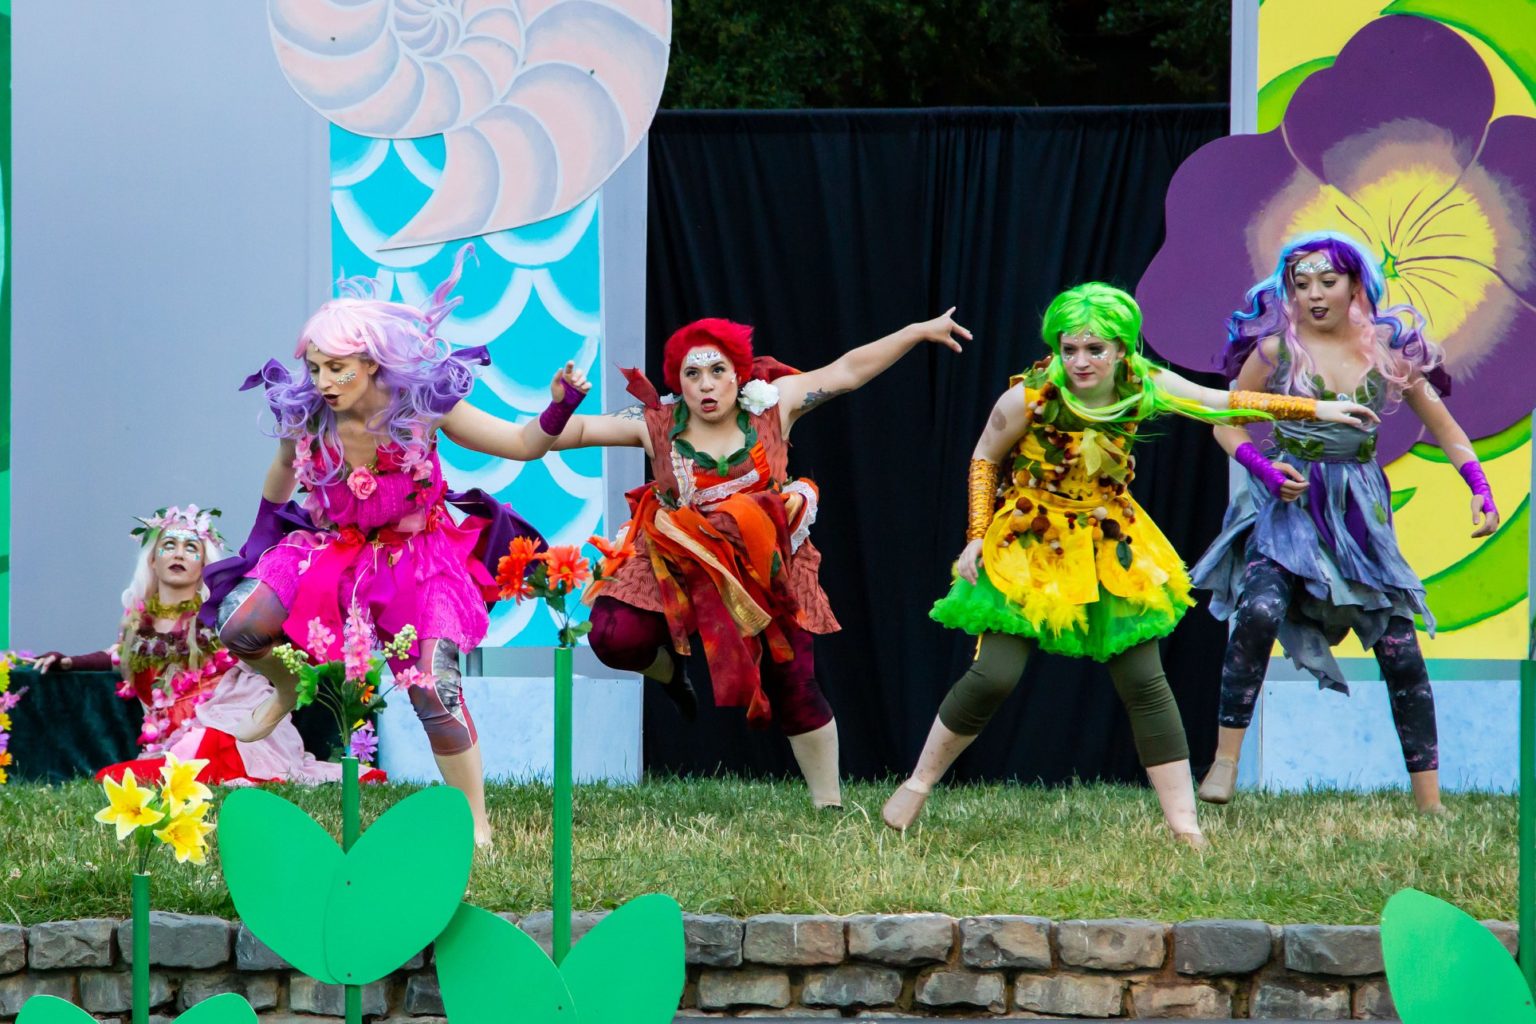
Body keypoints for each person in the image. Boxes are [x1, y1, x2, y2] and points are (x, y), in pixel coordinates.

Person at [880, 282, 1378, 846]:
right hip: (1031, 539)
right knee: (995, 673)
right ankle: (919, 784)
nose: (1081, 361)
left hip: (1109, 542)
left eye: (1095, 349)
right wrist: (974, 536)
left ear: (1121, 349)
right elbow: (984, 458)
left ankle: (1185, 826)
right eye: (1070, 349)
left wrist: (1320, 408)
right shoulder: (1030, 398)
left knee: (1144, 679)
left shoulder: (1145, 386)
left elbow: (1225, 402)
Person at [212, 245, 589, 845]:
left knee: (434, 692)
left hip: (419, 560)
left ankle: (475, 822)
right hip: (335, 554)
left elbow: (521, 444)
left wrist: (560, 405)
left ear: (371, 361)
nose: (324, 382)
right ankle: (286, 686)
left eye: (339, 367)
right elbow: (281, 472)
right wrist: (259, 541)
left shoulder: (421, 408)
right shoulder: (309, 416)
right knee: (238, 625)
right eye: (315, 368)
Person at [553, 311, 970, 809]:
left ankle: (828, 808)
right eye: (693, 374)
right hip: (680, 560)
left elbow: (848, 371)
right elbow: (559, 435)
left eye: (718, 371)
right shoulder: (655, 424)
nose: (707, 385)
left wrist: (916, 331)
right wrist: (560, 404)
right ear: (678, 382)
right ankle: (671, 675)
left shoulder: (774, 407)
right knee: (614, 635)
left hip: (761, 565)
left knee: (793, 681)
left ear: (739, 374)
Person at [1191, 231, 1497, 814]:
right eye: (1300, 284)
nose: (1313, 294)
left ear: (1355, 285)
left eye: (1326, 281)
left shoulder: (1387, 351)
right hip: (1286, 506)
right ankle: (1225, 761)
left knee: (1401, 649)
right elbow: (1224, 420)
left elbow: (1447, 426)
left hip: (1357, 513)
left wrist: (1479, 486)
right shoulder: (1277, 352)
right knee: (1256, 614)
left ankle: (1430, 802)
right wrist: (1262, 464)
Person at [32, 505, 359, 785]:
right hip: (173, 744)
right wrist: (69, 662)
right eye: (169, 545)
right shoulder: (141, 630)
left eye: (191, 548)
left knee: (204, 744)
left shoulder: (222, 615)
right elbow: (119, 653)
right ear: (152, 561)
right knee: (115, 778)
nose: (178, 553)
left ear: (204, 563)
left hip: (225, 725)